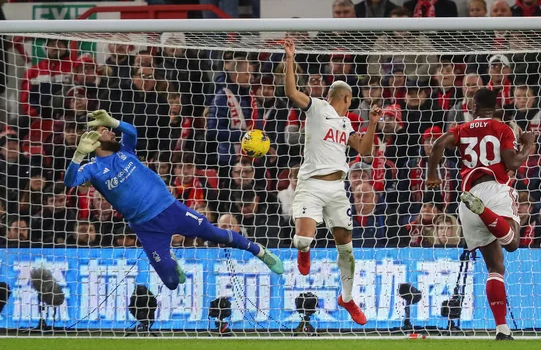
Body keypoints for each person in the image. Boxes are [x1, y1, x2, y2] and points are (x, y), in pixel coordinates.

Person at [64, 110, 283, 291]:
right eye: (105, 131)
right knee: (171, 283)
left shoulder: (125, 150)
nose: (112, 133)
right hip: (145, 227)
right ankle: (169, 258)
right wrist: (79, 154)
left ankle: (261, 252)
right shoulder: (91, 169)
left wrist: (112, 121)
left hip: (171, 209)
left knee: (215, 233)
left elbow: (131, 131)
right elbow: (70, 181)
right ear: (92, 141)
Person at [284, 38, 382, 325]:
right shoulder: (316, 107)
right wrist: (290, 58)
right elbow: (291, 91)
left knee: (346, 245)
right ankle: (304, 251)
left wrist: (373, 124)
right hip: (311, 186)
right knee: (303, 238)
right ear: (347, 99)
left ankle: (347, 298)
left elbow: (365, 151)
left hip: (338, 188)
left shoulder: (347, 123)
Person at [426, 88, 535, 341]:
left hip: (468, 196)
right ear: (495, 107)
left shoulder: (462, 129)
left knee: (494, 267)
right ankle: (485, 211)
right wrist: (529, 144)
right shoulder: (502, 128)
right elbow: (514, 163)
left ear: (473, 107)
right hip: (495, 189)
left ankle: (502, 329)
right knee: (513, 243)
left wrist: (432, 175)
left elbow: (439, 143)